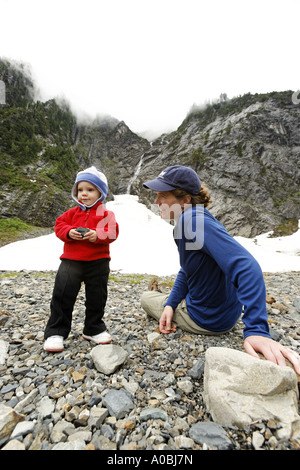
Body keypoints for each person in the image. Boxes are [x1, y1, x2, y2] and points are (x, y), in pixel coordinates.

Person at [141, 165, 300, 374]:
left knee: (145, 297)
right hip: (228, 316)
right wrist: (171, 304)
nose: (156, 202)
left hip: (206, 320)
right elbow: (188, 269)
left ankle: (160, 295)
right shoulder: (198, 218)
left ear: (185, 200)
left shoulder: (191, 220)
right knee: (171, 296)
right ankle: (170, 299)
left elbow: (247, 266)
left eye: (163, 195)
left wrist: (257, 331)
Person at [44, 166, 119, 352]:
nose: (84, 194)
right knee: (62, 294)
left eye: (90, 189)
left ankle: (93, 328)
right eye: (80, 190)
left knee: (97, 296)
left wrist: (97, 235)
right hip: (71, 261)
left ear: (100, 192)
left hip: (99, 261)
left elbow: (112, 231)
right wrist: (69, 232)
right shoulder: (71, 213)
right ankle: (56, 332)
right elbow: (59, 225)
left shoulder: (106, 214)